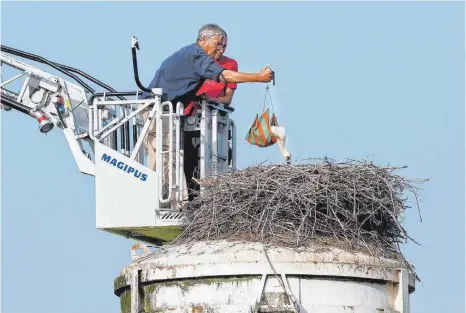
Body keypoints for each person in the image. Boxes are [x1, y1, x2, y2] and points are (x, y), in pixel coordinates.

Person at [140, 23, 273, 203]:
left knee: (172, 154)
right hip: (158, 111)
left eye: (224, 45)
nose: (221, 49)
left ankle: (178, 200)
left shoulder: (188, 54)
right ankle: (167, 201)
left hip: (166, 112)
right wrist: (258, 78)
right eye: (218, 44)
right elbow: (225, 76)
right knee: (167, 154)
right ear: (204, 39)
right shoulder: (196, 56)